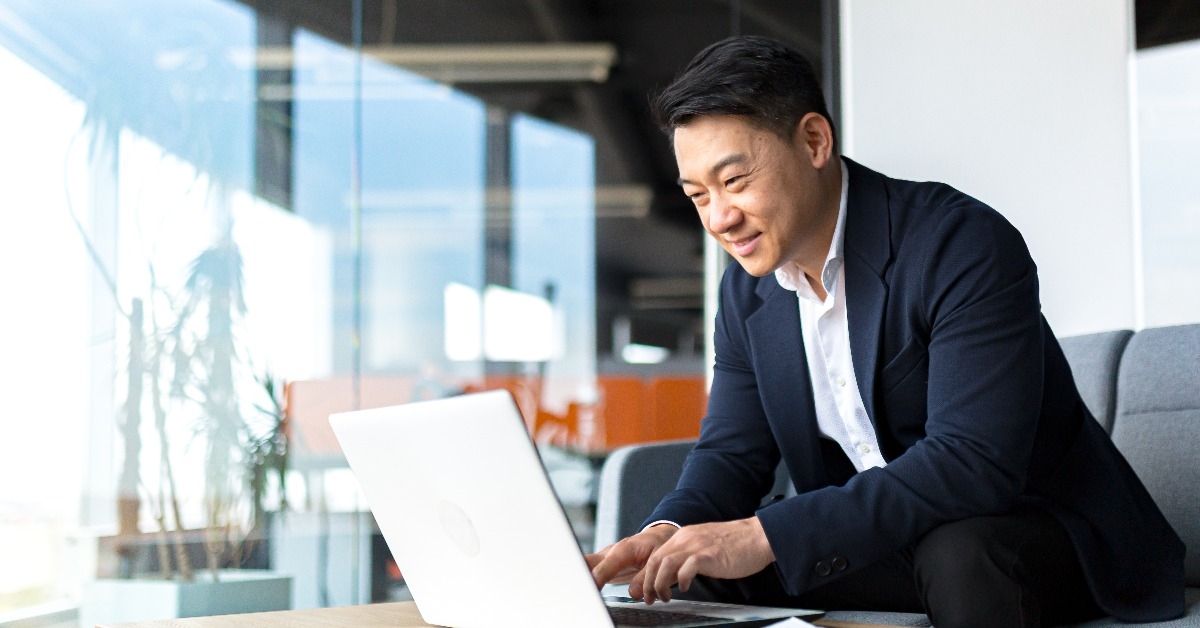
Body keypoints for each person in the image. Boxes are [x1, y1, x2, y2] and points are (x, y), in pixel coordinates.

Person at [586, 35, 1184, 628]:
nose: (719, 217)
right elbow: (731, 454)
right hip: (887, 537)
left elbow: (973, 463)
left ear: (814, 141)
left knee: (960, 555)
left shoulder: (959, 243)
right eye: (698, 195)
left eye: (735, 181)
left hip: (1034, 532)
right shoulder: (747, 292)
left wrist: (765, 532)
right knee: (694, 567)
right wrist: (666, 534)